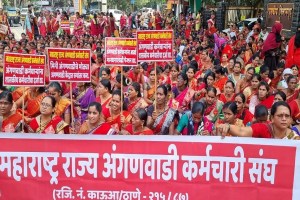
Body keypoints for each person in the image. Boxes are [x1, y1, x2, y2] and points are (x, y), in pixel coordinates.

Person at [217, 101, 300, 139]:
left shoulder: (294, 138)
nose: (284, 119)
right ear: (271, 118)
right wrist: (228, 126)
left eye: (287, 116)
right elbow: (241, 130)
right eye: (280, 116)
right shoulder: (263, 128)